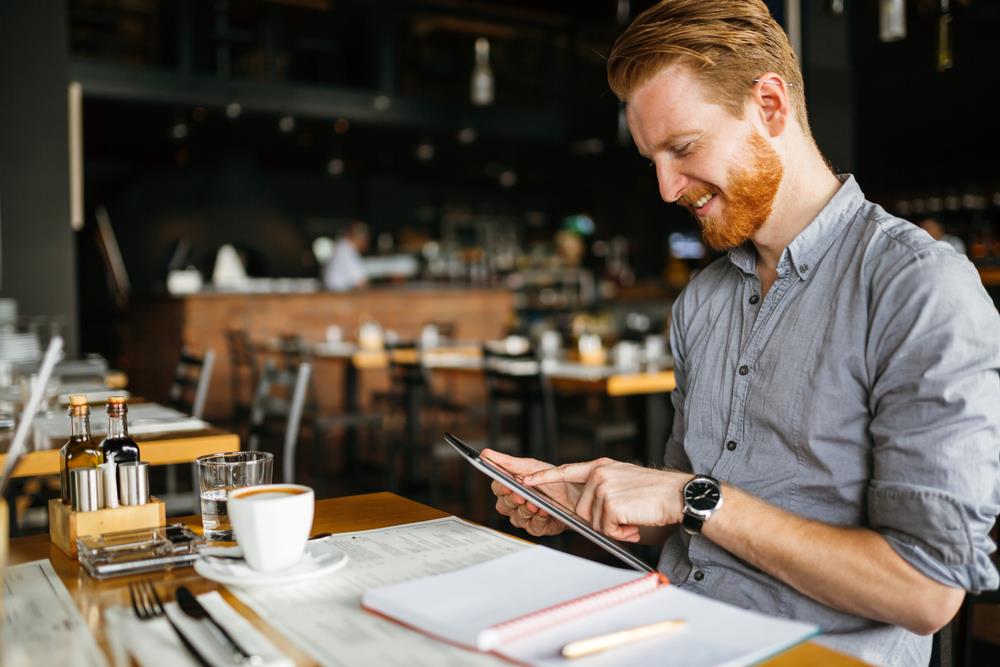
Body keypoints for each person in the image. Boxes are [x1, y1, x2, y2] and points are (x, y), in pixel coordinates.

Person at [487, 2, 1000, 665]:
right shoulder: (702, 302)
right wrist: (589, 496)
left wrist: (689, 495)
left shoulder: (920, 289)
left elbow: (927, 590)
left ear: (770, 105)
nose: (668, 188)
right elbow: (688, 521)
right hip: (667, 633)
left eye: (684, 147)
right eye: (653, 159)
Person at [322, 221, 369, 292]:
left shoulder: (342, 246)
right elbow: (361, 281)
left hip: (334, 294)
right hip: (337, 296)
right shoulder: (346, 249)